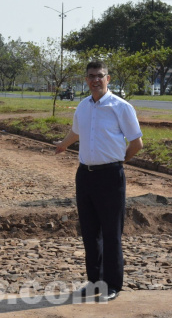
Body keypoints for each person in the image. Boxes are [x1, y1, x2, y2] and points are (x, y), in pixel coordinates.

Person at [55, 60, 143, 302]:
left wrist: (118, 161)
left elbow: (136, 142)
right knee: (89, 232)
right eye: (91, 76)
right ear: (86, 79)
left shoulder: (121, 107)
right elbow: (77, 131)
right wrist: (64, 144)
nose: (95, 80)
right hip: (85, 175)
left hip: (110, 176)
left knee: (111, 232)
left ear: (108, 78)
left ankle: (113, 285)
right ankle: (95, 282)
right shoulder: (83, 106)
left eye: (100, 75)